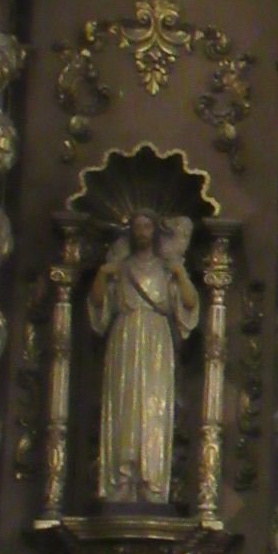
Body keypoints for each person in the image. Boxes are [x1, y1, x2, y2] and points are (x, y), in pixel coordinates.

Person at [86, 210, 200, 506]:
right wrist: (102, 274)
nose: (142, 231)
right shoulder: (120, 268)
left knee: (154, 407)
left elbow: (188, 304)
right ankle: (121, 480)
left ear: (156, 230)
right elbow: (98, 303)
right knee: (123, 405)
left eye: (147, 225)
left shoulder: (166, 268)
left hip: (156, 339)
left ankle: (152, 481)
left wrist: (180, 273)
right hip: (124, 336)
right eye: (137, 226)